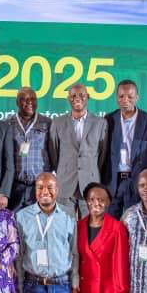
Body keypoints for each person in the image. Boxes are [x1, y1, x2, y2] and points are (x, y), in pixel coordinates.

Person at [48, 83, 108, 217]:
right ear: (68, 98)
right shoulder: (57, 122)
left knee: (89, 225)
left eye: (81, 95)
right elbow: (54, 153)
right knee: (63, 225)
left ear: (88, 97)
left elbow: (102, 155)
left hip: (90, 183)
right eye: (73, 95)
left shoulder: (100, 123)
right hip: (65, 184)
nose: (77, 98)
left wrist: (91, 170)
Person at [104, 79, 147, 217]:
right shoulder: (108, 120)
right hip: (113, 181)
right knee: (110, 223)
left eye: (130, 96)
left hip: (138, 181)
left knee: (136, 221)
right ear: (116, 98)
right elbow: (103, 153)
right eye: (121, 96)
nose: (125, 100)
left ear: (137, 97)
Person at [9, 87, 52, 211]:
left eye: (33, 99)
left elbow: (54, 153)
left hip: (39, 186)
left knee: (38, 219)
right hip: (15, 186)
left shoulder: (47, 123)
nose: (29, 102)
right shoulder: (7, 124)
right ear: (17, 102)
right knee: (15, 220)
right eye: (24, 99)